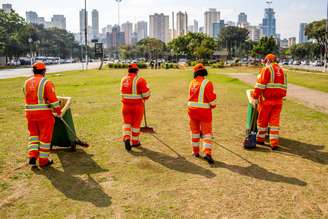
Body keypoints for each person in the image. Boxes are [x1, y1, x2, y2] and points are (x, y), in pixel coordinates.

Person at [24, 61, 62, 168]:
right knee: (45, 137)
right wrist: (58, 111)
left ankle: (32, 157)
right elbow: (54, 100)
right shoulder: (46, 82)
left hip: (29, 114)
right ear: (44, 71)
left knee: (33, 136)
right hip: (43, 115)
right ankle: (43, 161)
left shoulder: (26, 82)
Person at [252, 54, 287, 150]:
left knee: (263, 120)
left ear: (268, 60)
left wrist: (255, 96)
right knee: (274, 122)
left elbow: (260, 85)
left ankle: (260, 139)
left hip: (266, 100)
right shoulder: (283, 71)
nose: (264, 63)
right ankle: (274, 142)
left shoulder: (267, 69)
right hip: (279, 101)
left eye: (265, 61)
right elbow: (284, 88)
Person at [188, 63, 217, 164]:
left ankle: (195, 152)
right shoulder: (207, 83)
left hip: (192, 111)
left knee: (194, 132)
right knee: (207, 133)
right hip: (204, 112)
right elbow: (212, 99)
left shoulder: (191, 82)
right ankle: (207, 153)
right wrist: (213, 106)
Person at [120, 63, 151, 151]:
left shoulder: (123, 79)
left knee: (126, 123)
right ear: (137, 70)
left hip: (125, 106)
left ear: (128, 70)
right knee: (136, 124)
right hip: (137, 106)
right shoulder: (140, 80)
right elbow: (146, 94)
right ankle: (135, 142)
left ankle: (126, 137)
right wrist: (146, 96)